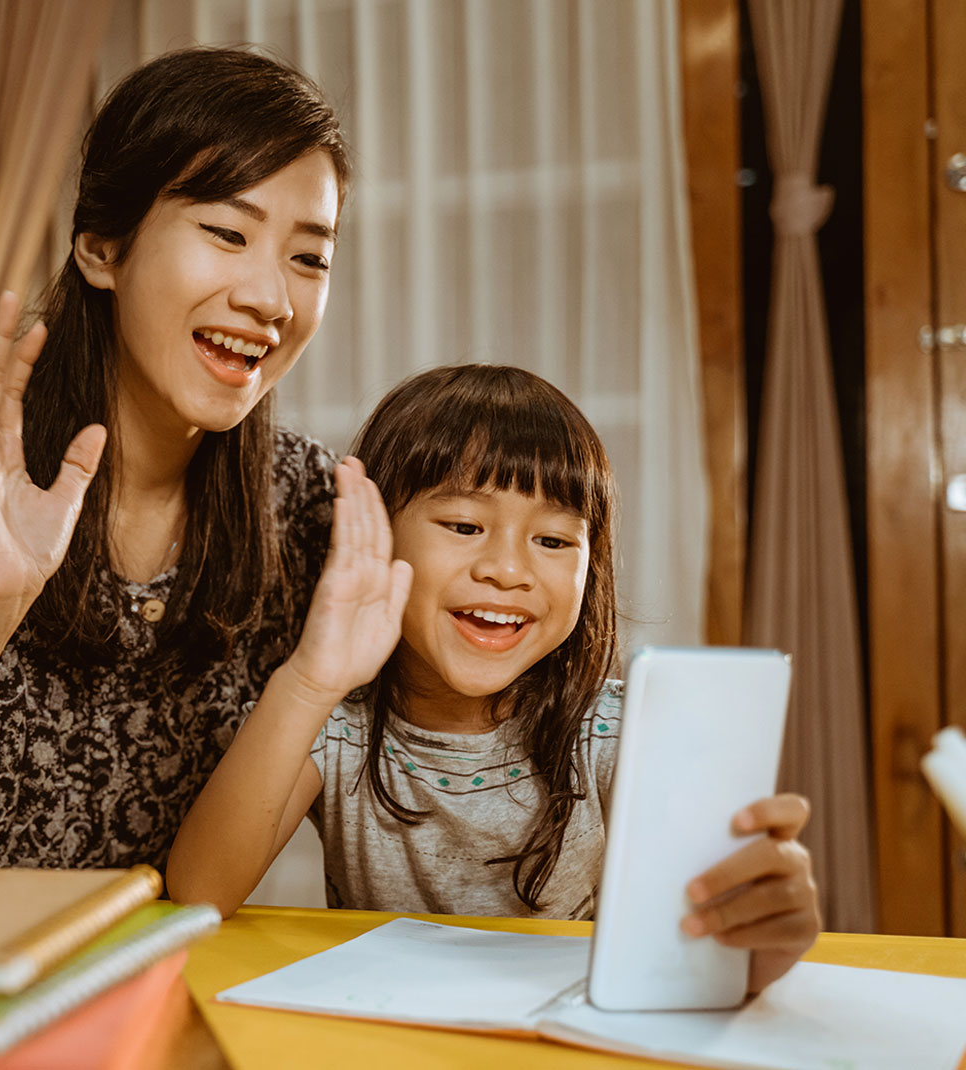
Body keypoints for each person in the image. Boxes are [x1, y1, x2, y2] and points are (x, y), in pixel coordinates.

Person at [0, 47, 348, 871]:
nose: (272, 300)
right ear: (101, 250)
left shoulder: (308, 510)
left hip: (139, 976)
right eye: (229, 232)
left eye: (310, 257)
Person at [166, 364, 821, 993]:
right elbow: (200, 891)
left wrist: (769, 936)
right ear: (374, 539)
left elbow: (707, 951)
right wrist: (309, 679)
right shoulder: (335, 724)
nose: (508, 570)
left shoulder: (620, 735)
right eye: (464, 526)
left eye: (554, 541)